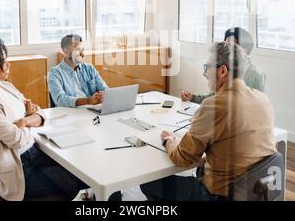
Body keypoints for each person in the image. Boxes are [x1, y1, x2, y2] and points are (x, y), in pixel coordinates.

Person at [140, 42, 276, 201]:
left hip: (217, 196)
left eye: (207, 67)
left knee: (149, 183)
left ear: (223, 71)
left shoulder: (213, 106)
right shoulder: (263, 100)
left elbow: (182, 158)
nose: (204, 73)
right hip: (254, 192)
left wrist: (169, 140)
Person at [0, 36, 86, 201]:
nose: (8, 64)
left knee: (84, 171)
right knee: (79, 180)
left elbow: (40, 113)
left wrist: (23, 122)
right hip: (22, 165)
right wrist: (28, 121)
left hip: (37, 151)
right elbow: (17, 139)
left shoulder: (5, 86)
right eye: (4, 62)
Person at [181, 27, 268, 104]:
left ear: (245, 49)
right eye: (226, 44)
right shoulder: (225, 69)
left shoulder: (256, 75)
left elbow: (255, 108)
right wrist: (193, 98)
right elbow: (215, 97)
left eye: (232, 45)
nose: (226, 48)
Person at [49, 34, 108, 107]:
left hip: (91, 110)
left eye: (82, 50)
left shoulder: (89, 68)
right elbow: (60, 99)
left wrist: (103, 95)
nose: (82, 53)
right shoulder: (55, 73)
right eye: (77, 49)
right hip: (69, 113)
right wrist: (88, 101)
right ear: (66, 52)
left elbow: (105, 89)